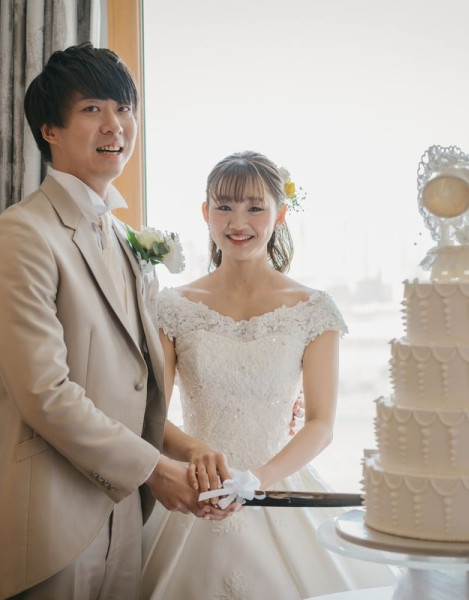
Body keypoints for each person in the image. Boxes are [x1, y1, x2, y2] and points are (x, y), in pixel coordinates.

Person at [0, 43, 228, 600]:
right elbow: (45, 393)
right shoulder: (19, 237)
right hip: (49, 521)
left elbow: (129, 386)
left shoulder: (125, 237)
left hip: (124, 515)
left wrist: (185, 450)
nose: (115, 125)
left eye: (123, 108)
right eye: (92, 109)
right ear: (50, 131)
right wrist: (155, 470)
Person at [140, 151, 399, 599]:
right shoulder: (172, 306)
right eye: (224, 206)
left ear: (279, 214)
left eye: (255, 207)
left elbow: (321, 424)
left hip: (279, 487)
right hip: (195, 493)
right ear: (205, 213)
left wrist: (256, 480)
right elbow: (152, 413)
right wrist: (196, 457)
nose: (238, 221)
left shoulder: (314, 309)